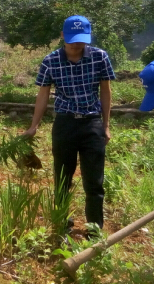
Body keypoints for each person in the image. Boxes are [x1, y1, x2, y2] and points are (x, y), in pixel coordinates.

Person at [22, 15, 114, 237]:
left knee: (94, 182)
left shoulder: (99, 57)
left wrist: (106, 125)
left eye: (81, 39)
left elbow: (105, 91)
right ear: (63, 36)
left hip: (91, 123)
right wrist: (34, 126)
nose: (76, 45)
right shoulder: (50, 61)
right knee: (63, 179)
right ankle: (63, 225)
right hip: (64, 124)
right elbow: (43, 94)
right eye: (72, 39)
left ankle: (94, 231)